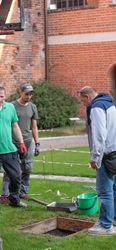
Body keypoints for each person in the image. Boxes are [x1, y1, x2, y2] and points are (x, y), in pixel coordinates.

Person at [78, 86, 116, 235]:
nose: (83, 104)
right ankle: (112, 220)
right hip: (115, 152)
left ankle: (106, 226)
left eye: (82, 101)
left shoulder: (96, 107)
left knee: (104, 191)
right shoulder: (110, 104)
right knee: (113, 189)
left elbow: (99, 135)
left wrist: (95, 158)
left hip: (106, 155)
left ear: (87, 97)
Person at [0, 83, 40, 202]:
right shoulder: (10, 106)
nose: (28, 96)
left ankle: (23, 192)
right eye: (26, 93)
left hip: (28, 141)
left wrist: (37, 143)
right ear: (20, 92)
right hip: (13, 142)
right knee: (11, 169)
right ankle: (6, 194)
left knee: (27, 167)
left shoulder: (32, 107)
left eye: (30, 94)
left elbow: (34, 127)